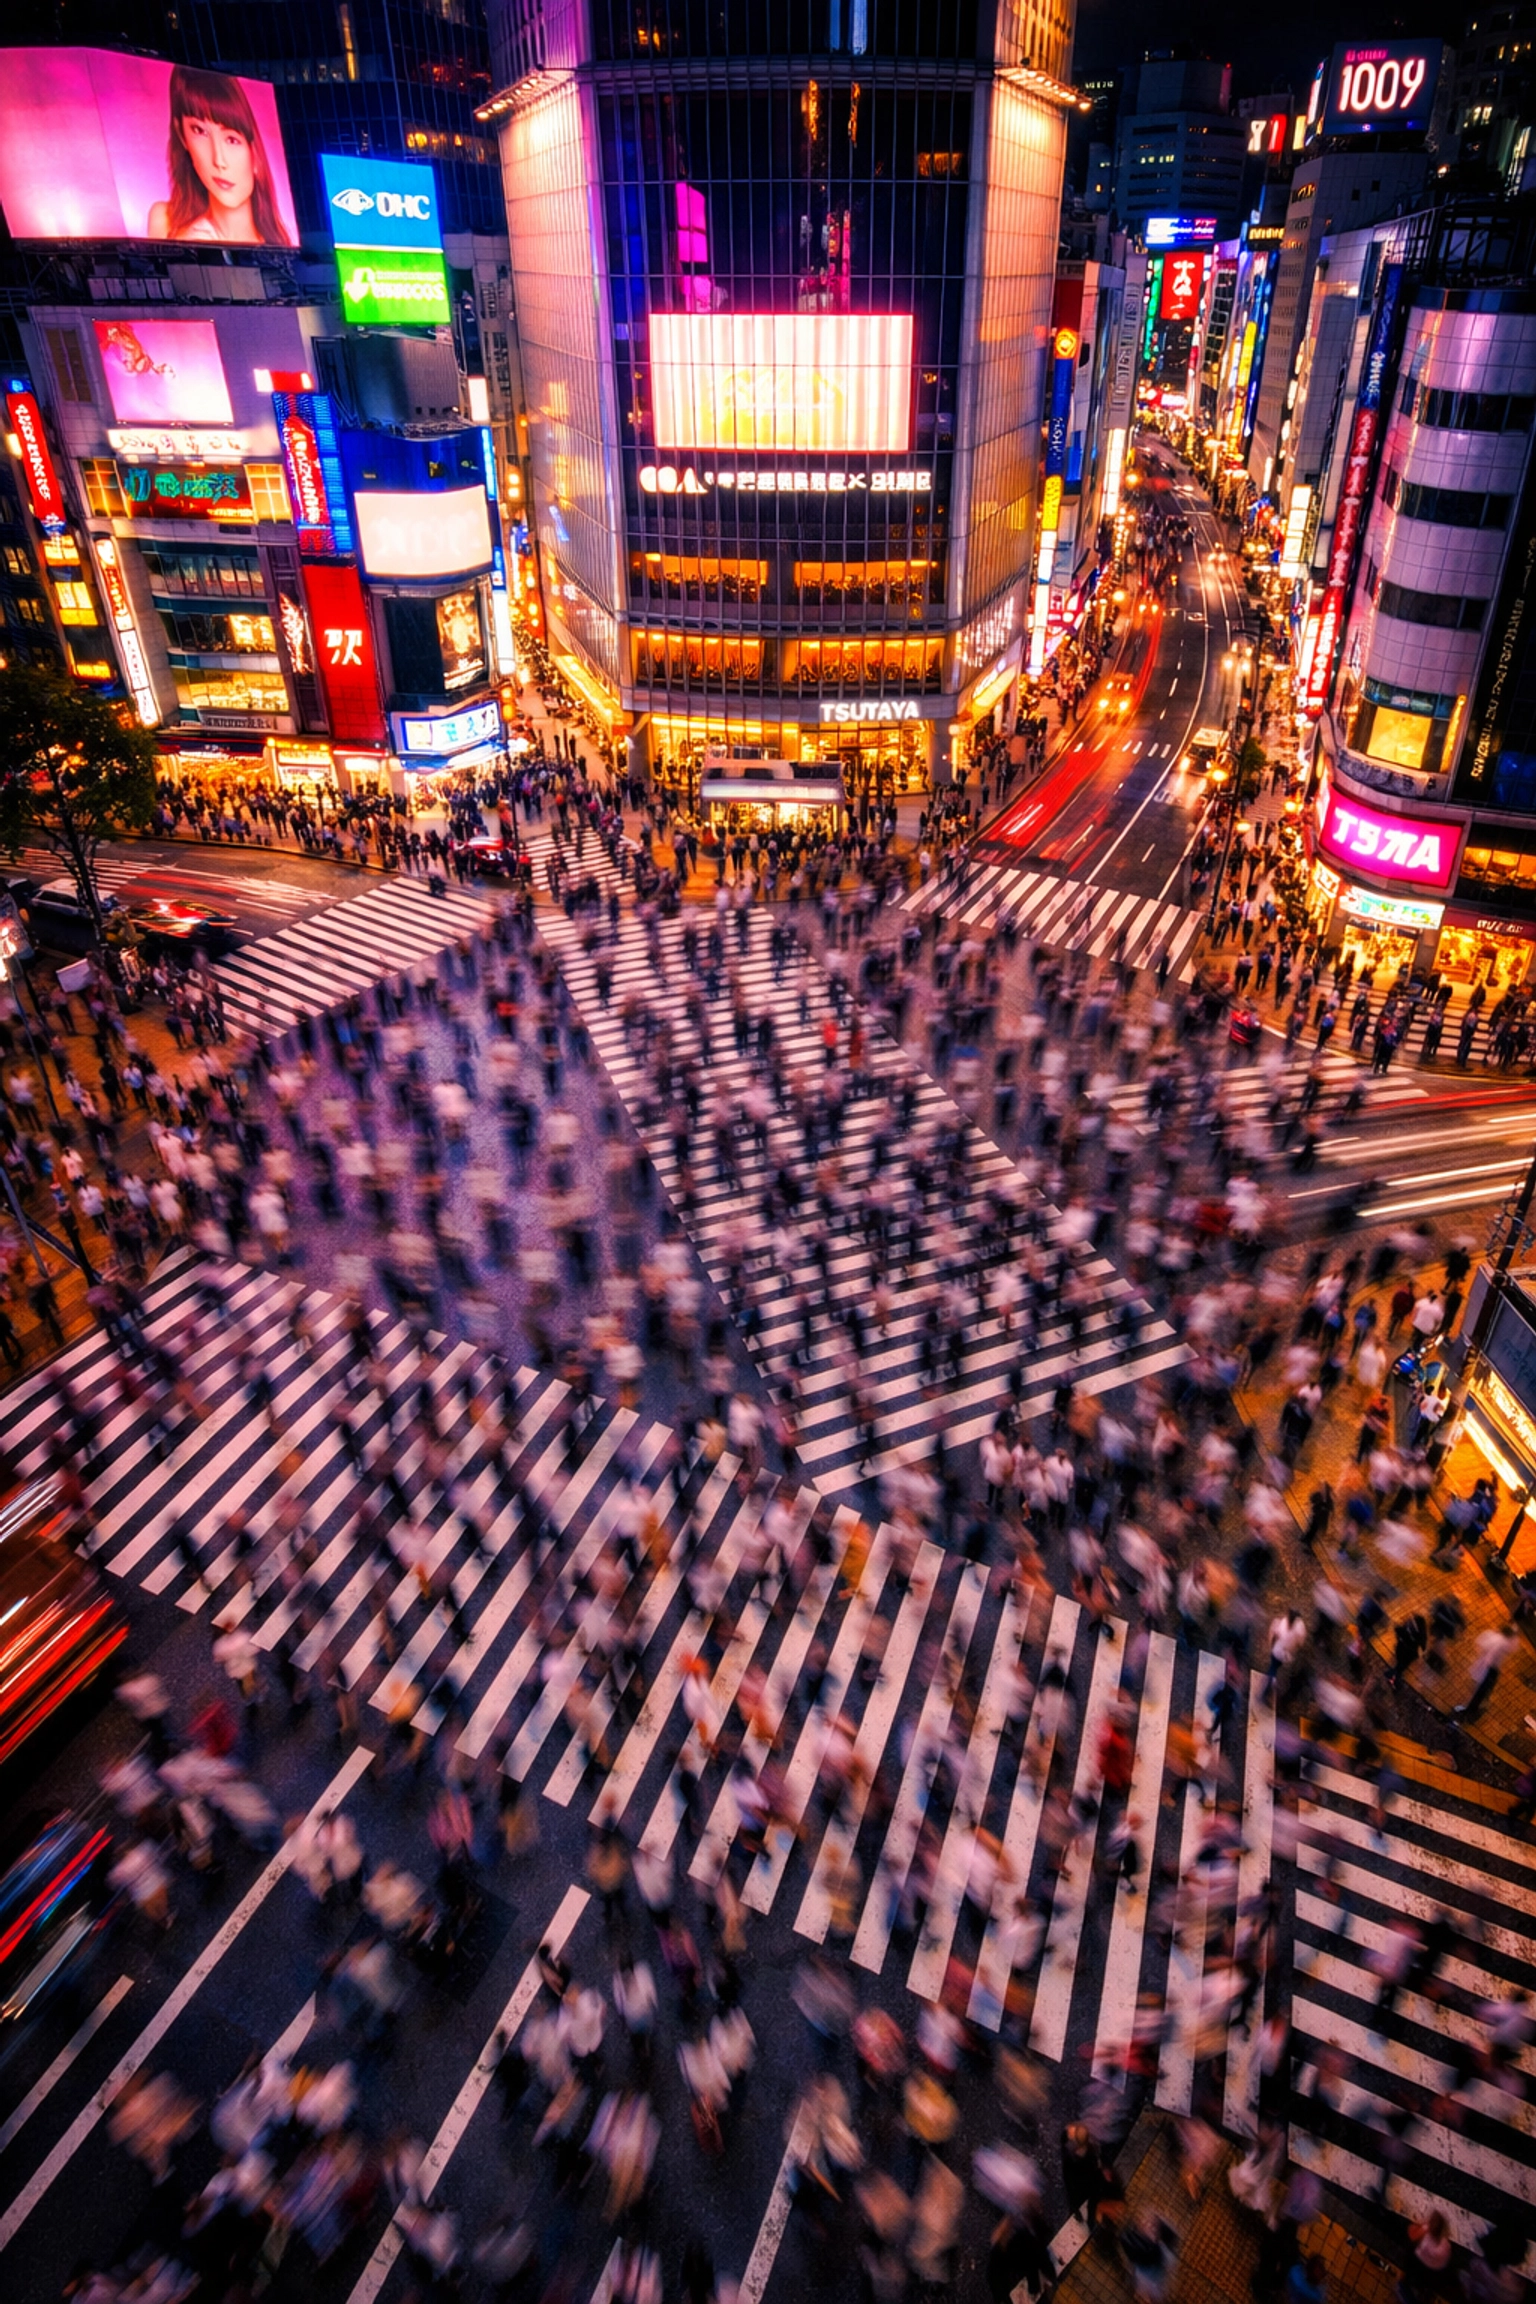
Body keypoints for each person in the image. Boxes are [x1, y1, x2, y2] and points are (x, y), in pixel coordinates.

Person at [148, 66, 294, 246]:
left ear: (254, 154)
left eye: (232, 140)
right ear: (182, 136)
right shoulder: (165, 221)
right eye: (199, 131)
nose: (219, 160)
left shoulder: (280, 246)